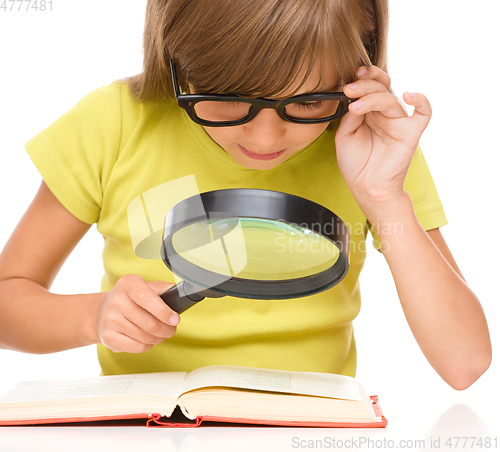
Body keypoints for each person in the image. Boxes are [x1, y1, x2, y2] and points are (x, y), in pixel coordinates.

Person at [0, 0, 491, 390]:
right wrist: (93, 315)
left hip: (306, 432)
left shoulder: (374, 145)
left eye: (307, 102)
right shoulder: (114, 123)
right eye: (230, 98)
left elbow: (464, 362)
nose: (264, 139)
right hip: (146, 432)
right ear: (176, 58)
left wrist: (384, 196)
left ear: (356, 76)